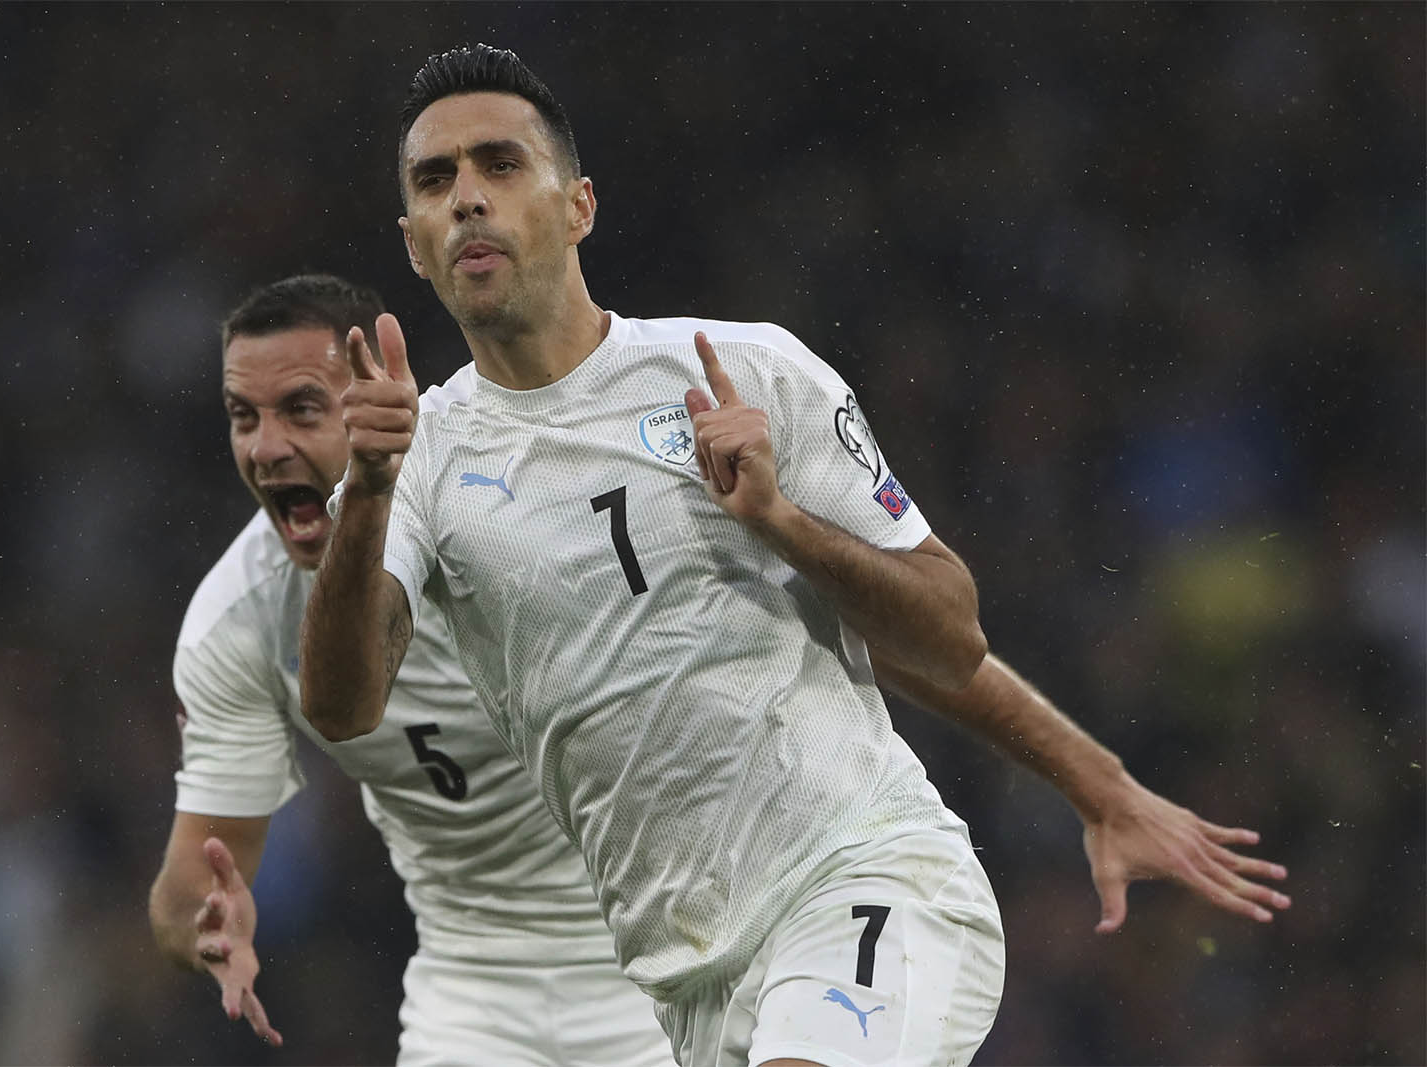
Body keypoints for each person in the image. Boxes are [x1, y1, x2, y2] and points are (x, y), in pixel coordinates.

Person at [301, 46, 1289, 1067]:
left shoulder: (743, 374)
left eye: (500, 165)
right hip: (690, 986)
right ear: (413, 244)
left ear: (579, 205)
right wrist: (367, 496)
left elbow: (946, 630)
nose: (467, 199)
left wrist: (781, 521)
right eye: (436, 180)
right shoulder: (410, 462)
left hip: (862, 879)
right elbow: (341, 705)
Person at [147, 274, 674, 1067]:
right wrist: (207, 925)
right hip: (474, 990)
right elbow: (187, 886)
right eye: (242, 416)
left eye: (300, 408)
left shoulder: (521, 495)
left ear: (380, 399)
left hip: (665, 950)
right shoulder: (241, 617)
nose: (265, 446)